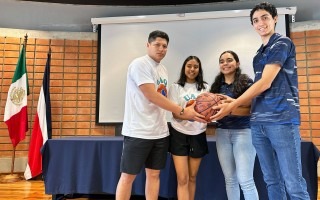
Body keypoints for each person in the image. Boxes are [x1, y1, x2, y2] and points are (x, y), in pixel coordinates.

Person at [211, 2, 310, 199]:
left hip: (281, 120)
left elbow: (265, 83)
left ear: (275, 19)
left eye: (264, 17)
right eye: (255, 20)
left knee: (293, 182)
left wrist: (233, 103)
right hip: (258, 123)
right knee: (271, 180)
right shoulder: (258, 55)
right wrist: (229, 101)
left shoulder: (282, 43)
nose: (260, 23)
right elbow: (259, 92)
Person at [116, 30, 206, 200]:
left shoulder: (162, 69)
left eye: (164, 46)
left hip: (160, 132)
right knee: (128, 177)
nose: (161, 49)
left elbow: (161, 97)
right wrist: (182, 111)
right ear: (148, 45)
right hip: (138, 132)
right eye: (157, 44)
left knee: (154, 175)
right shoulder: (139, 64)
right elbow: (152, 95)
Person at [210, 50, 259, 200]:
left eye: (229, 60)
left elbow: (252, 109)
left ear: (237, 63)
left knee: (245, 180)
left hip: (244, 132)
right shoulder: (217, 86)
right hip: (222, 133)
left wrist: (229, 111)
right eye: (222, 61)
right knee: (230, 179)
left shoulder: (246, 82)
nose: (225, 63)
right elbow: (213, 110)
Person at [168, 56, 209, 200]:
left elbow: (209, 112)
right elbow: (175, 113)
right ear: (184, 68)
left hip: (198, 134)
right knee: (182, 179)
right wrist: (191, 115)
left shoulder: (206, 88)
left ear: (199, 69)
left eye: (195, 66)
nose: (192, 69)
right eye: (189, 66)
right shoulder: (175, 87)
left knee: (192, 177)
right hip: (178, 134)